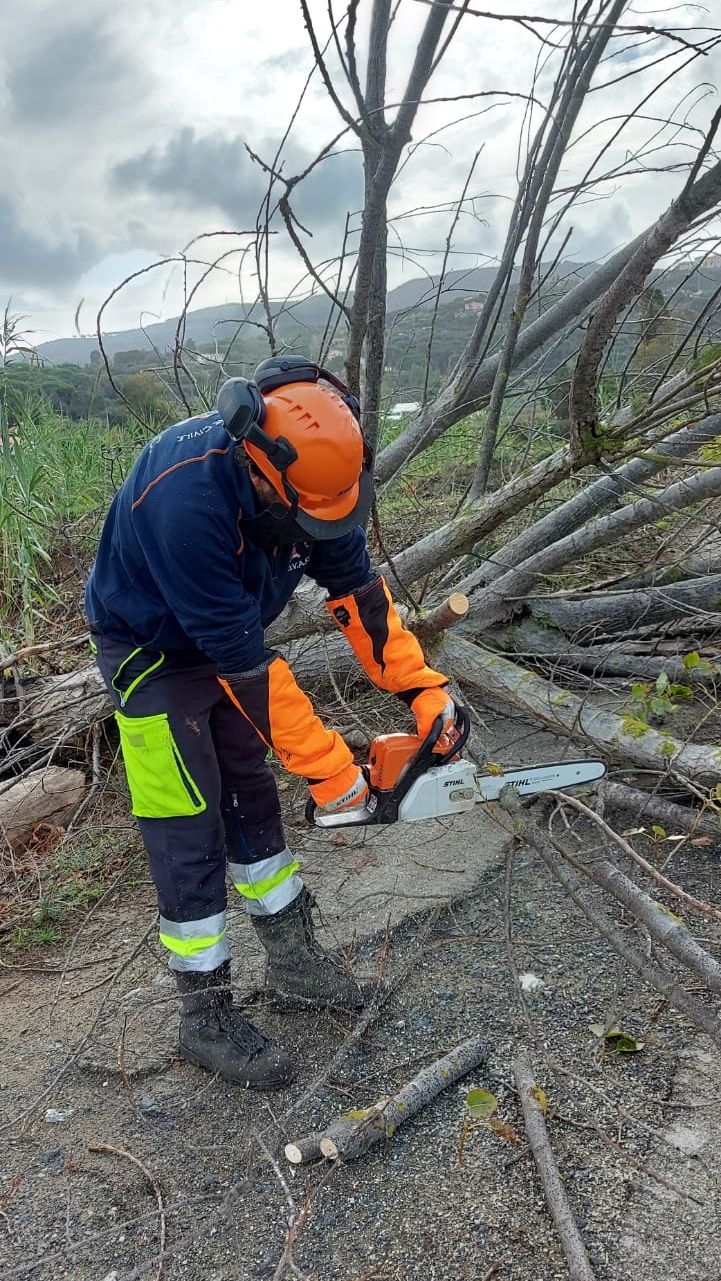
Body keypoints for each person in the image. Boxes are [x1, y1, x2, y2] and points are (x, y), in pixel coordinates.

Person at [85, 355, 457, 1090]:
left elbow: (357, 591)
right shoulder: (183, 496)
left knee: (249, 792)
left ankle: (292, 963)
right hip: (151, 652)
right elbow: (237, 655)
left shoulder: (320, 478)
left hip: (233, 643)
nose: (315, 524)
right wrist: (329, 769)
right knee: (186, 821)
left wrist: (422, 688)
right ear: (258, 460)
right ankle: (205, 1015)